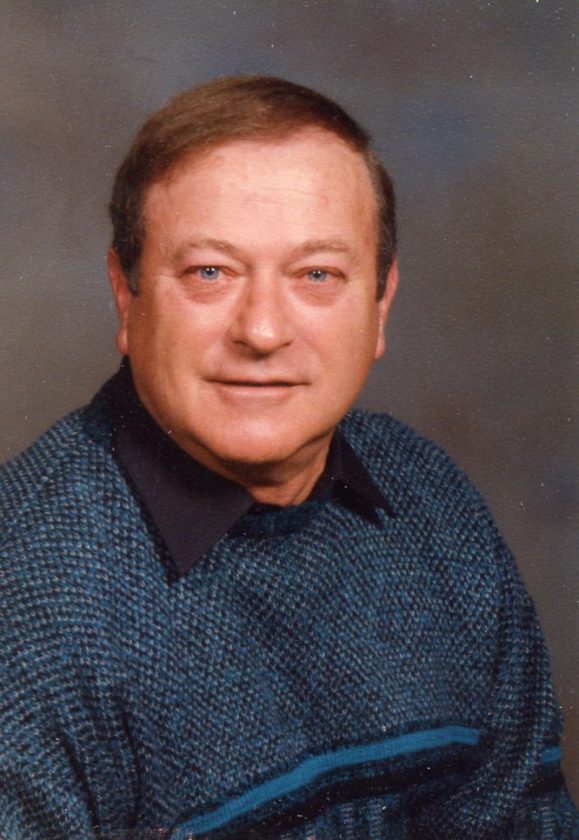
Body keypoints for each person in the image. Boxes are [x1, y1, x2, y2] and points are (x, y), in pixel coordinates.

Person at [0, 76, 577, 840]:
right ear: (126, 295)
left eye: (316, 276)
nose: (263, 331)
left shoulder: (431, 498)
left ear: (379, 305)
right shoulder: (26, 596)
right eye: (210, 272)